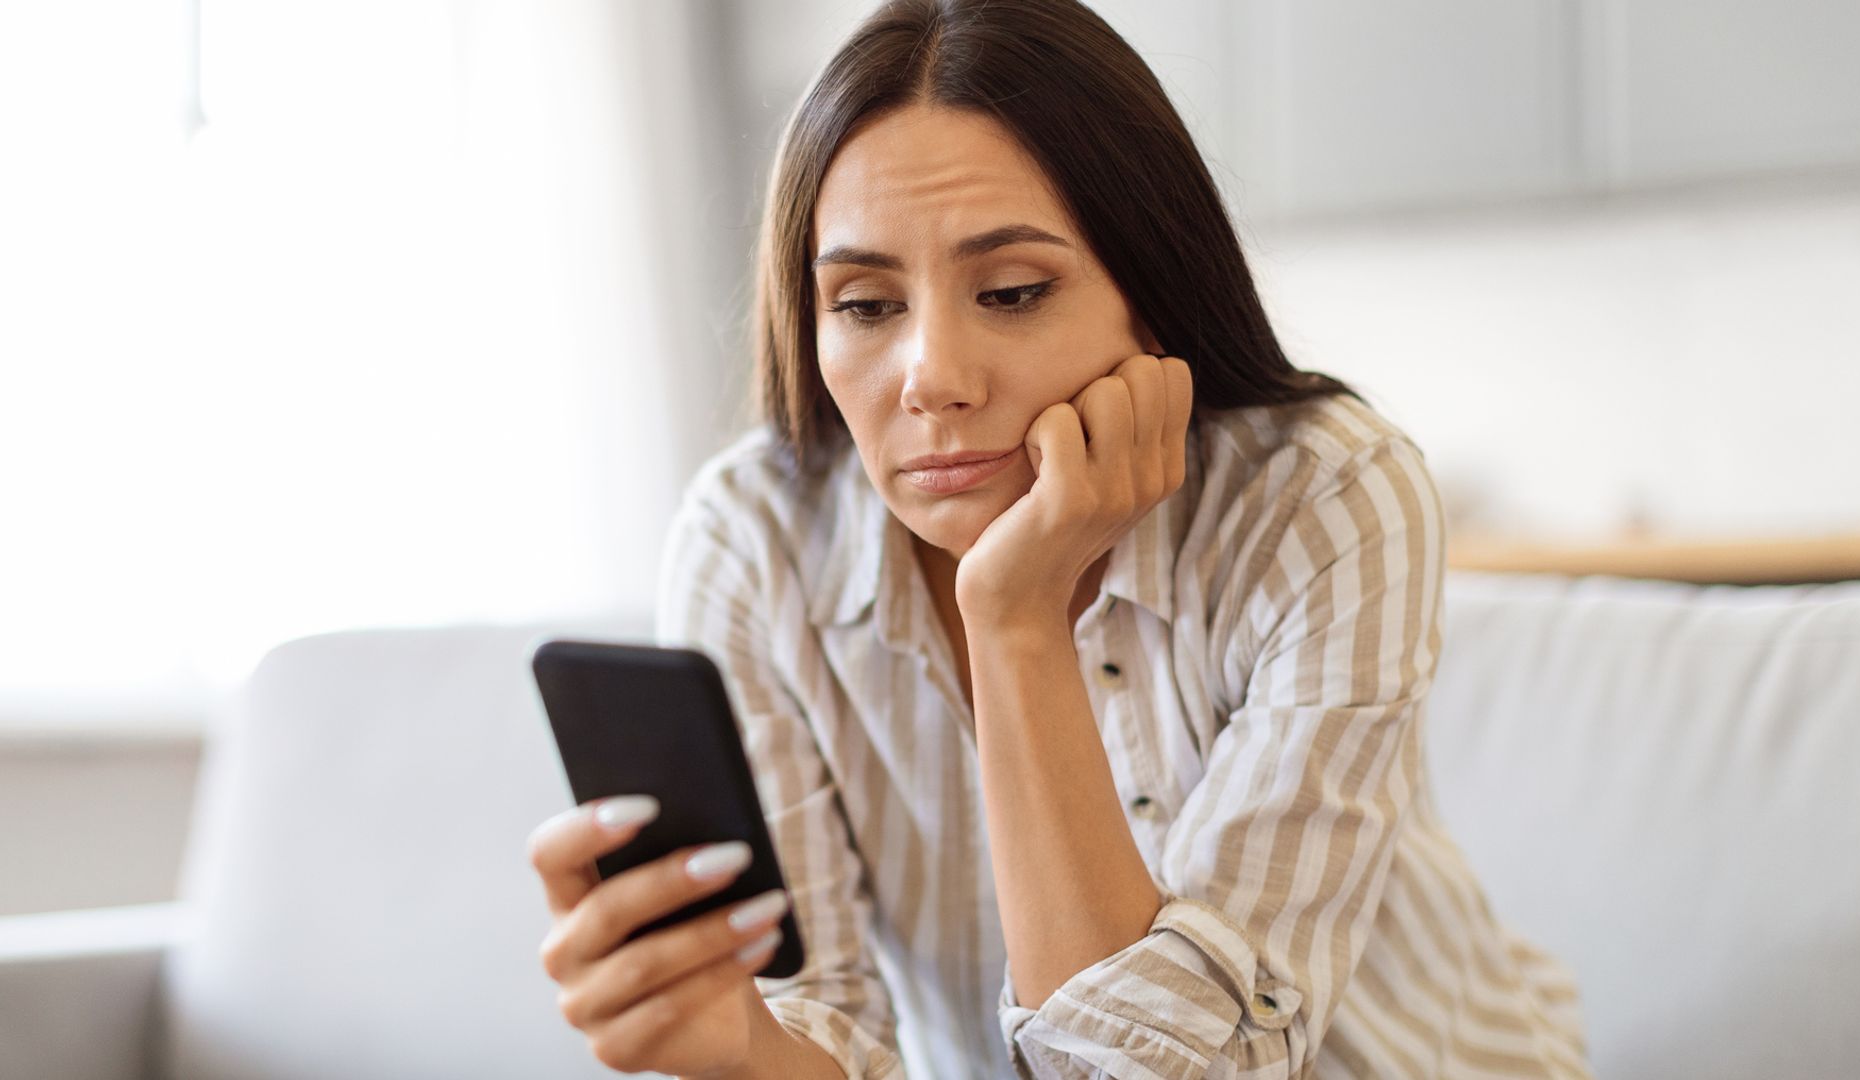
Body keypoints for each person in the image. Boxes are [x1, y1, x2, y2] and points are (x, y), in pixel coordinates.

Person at [526, 1, 1593, 1077]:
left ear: (1154, 290)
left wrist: (1016, 619)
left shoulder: (1322, 500)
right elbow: (828, 1033)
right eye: (862, 304)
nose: (931, 377)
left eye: (1013, 291)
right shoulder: (754, 544)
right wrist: (742, 1047)